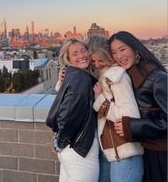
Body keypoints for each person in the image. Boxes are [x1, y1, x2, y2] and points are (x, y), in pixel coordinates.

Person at [109, 31, 167, 182]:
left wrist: (132, 126)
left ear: (135, 49)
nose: (119, 56)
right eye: (114, 52)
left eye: (122, 49)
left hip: (161, 154)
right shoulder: (126, 77)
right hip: (145, 150)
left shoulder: (158, 78)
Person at [87, 35, 144, 182]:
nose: (97, 64)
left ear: (109, 56)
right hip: (113, 151)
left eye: (101, 60)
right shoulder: (104, 76)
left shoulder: (116, 76)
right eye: (93, 61)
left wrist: (100, 100)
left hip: (125, 153)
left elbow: (129, 115)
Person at [46, 38, 99, 182]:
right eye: (75, 54)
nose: (81, 55)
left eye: (83, 51)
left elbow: (64, 103)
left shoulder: (73, 75)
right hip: (79, 149)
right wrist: (60, 141)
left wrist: (59, 140)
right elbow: (67, 115)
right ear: (68, 58)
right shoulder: (81, 78)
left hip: (70, 148)